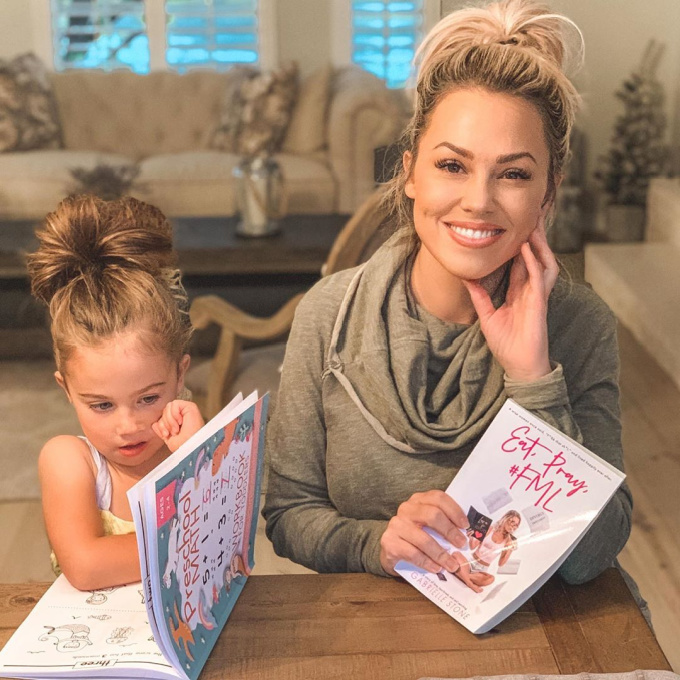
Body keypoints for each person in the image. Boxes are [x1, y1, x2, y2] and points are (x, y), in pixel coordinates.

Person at [263, 0, 634, 590]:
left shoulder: (579, 322)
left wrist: (535, 380)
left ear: (547, 192)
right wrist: (375, 543)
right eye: (452, 165)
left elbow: (596, 552)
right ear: (410, 172)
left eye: (513, 173)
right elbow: (287, 515)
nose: (479, 200)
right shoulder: (329, 313)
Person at [27, 195, 205, 590]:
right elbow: (87, 566)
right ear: (67, 389)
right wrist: (198, 538)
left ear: (180, 376)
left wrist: (198, 460)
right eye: (102, 405)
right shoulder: (71, 462)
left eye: (148, 398)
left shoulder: (189, 446)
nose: (129, 425)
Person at [450, 510, 521, 593]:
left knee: (491, 579)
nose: (513, 526)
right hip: (469, 562)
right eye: (512, 521)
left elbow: (501, 564)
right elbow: (472, 546)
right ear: (505, 518)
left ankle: (461, 574)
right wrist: (471, 538)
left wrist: (510, 550)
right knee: (456, 554)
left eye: (516, 525)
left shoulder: (509, 541)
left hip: (481, 571)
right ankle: (470, 583)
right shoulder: (489, 529)